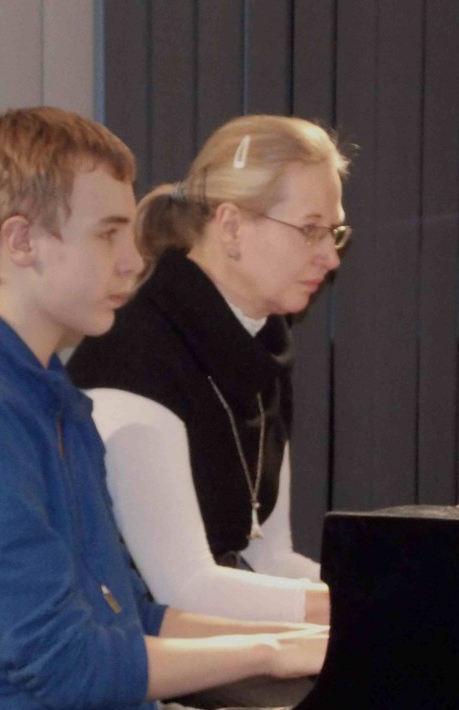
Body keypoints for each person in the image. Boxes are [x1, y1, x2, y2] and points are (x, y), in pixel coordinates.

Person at [0, 107, 327, 710]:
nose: (135, 259)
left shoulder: (51, 396)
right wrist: (272, 651)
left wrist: (307, 639)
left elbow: (131, 615)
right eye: (109, 234)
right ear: (21, 241)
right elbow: (68, 664)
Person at [66, 116, 350, 647]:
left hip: (205, 646)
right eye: (310, 229)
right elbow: (184, 589)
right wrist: (370, 603)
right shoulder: (137, 355)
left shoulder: (262, 346)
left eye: (333, 232)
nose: (330, 257)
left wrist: (382, 592)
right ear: (232, 226)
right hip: (134, 659)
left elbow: (269, 558)